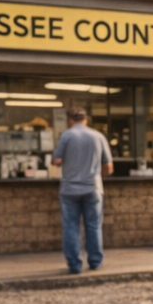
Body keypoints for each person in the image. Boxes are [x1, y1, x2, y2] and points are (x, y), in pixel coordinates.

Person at [51, 107, 113, 274]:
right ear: (87, 119)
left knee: (71, 226)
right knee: (93, 226)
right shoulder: (98, 136)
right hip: (93, 188)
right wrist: (97, 176)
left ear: (70, 120)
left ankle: (75, 265)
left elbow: (57, 161)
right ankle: (95, 262)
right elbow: (109, 166)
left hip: (69, 189)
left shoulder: (66, 135)